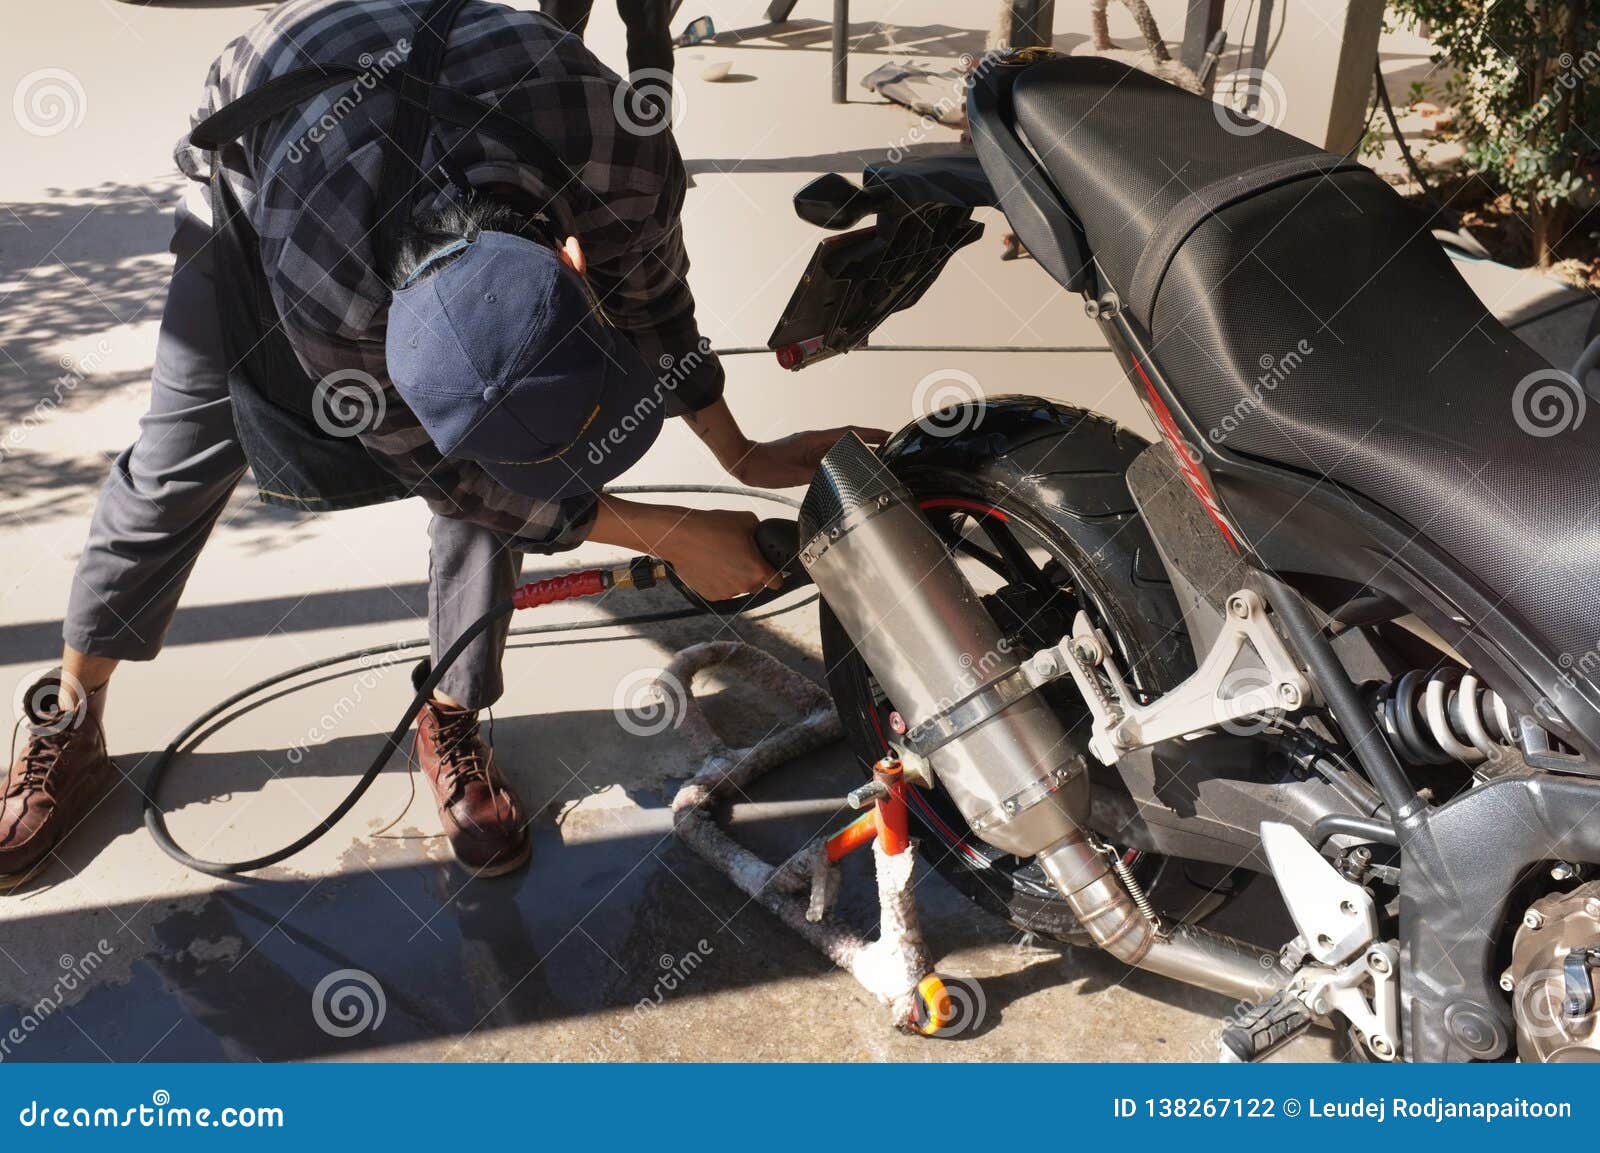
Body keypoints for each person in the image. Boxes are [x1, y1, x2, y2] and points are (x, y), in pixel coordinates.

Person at [2, 0, 883, 890]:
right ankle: (70, 714)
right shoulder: (328, 299)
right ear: (384, 357)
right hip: (264, 157)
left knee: (513, 466)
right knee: (180, 456)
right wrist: (676, 532)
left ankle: (452, 706)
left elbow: (656, 298)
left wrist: (741, 452)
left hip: (482, 97)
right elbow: (461, 481)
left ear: (573, 260)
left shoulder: (616, 143)